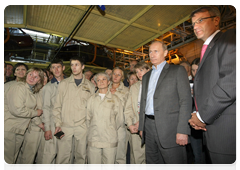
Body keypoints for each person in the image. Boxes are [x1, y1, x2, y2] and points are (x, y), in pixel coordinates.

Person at [188, 6, 238, 170]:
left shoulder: (229, 37)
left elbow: (231, 82)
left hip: (227, 131)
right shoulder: (208, 49)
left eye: (200, 20)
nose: (195, 26)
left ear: (216, 20)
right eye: (193, 23)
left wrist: (202, 116)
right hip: (213, 129)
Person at [138, 41, 192, 170]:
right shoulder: (146, 77)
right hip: (149, 127)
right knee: (153, 165)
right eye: (150, 51)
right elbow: (144, 102)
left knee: (175, 165)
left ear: (166, 53)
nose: (152, 54)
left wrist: (183, 130)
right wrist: (142, 126)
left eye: (156, 51)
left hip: (171, 129)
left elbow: (185, 101)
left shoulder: (177, 70)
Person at [53, 56, 95, 170]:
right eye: (72, 65)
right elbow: (57, 106)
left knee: (81, 157)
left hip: (82, 127)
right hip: (65, 126)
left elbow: (92, 109)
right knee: (62, 157)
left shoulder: (90, 86)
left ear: (82, 66)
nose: (74, 67)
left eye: (76, 64)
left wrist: (89, 126)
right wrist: (58, 124)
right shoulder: (63, 84)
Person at [4, 67, 44, 170]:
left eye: (36, 77)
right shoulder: (19, 87)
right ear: (27, 74)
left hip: (18, 129)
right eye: (30, 74)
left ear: (39, 80)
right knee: (6, 162)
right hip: (9, 129)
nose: (32, 78)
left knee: (11, 161)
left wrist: (40, 124)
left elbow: (30, 112)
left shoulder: (31, 91)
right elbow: (17, 110)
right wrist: (36, 112)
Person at [86, 72, 124, 170]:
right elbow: (87, 118)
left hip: (109, 140)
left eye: (104, 79)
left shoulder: (115, 99)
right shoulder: (91, 99)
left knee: (109, 167)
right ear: (96, 83)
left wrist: (110, 129)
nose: (101, 82)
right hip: (94, 139)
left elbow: (119, 120)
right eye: (98, 80)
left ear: (108, 82)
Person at [16, 69, 49, 170]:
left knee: (42, 158)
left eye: (45, 76)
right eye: (41, 76)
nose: (43, 79)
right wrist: (40, 124)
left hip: (45, 129)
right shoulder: (33, 91)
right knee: (27, 158)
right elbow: (32, 110)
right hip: (34, 128)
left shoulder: (50, 91)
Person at [39, 59, 67, 170]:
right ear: (51, 70)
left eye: (58, 67)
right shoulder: (48, 87)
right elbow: (45, 108)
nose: (56, 70)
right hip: (52, 123)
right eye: (53, 67)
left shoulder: (70, 84)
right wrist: (47, 128)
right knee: (49, 154)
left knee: (64, 155)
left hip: (67, 123)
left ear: (63, 68)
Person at [124, 62, 150, 170]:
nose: (139, 73)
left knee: (150, 159)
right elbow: (128, 108)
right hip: (135, 125)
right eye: (137, 71)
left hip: (151, 127)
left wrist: (143, 122)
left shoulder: (156, 85)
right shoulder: (134, 87)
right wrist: (130, 124)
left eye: (141, 70)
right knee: (136, 158)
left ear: (148, 70)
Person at [109, 67, 129, 170]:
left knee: (120, 156)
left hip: (120, 126)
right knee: (107, 156)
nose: (116, 76)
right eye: (114, 74)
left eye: (118, 75)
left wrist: (115, 93)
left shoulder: (126, 91)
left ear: (122, 77)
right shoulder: (104, 87)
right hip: (106, 126)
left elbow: (128, 107)